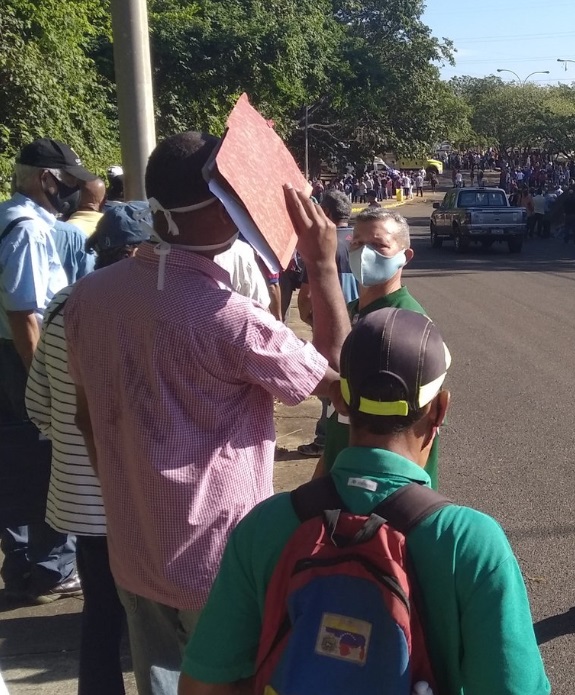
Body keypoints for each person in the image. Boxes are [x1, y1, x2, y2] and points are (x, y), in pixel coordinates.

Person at [65, 131, 349, 695]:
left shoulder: (88, 298)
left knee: (159, 683)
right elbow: (340, 385)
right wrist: (320, 265)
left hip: (133, 544)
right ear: (222, 207)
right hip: (220, 561)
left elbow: (84, 418)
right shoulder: (235, 321)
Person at [179, 309, 551, 695]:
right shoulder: (469, 543)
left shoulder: (267, 524)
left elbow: (202, 684)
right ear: (440, 409)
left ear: (340, 400)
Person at [25, 204, 150, 695]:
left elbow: (38, 403)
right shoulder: (146, 309)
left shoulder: (59, 305)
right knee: (154, 617)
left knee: (101, 609)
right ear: (139, 251)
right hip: (142, 497)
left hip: (81, 501)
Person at [1, 138, 87, 607]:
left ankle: (20, 564)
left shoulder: (4, 217)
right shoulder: (30, 230)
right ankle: (52, 569)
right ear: (46, 179)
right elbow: (23, 313)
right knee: (46, 456)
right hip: (20, 356)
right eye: (68, 180)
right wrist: (44, 381)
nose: (72, 190)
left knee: (12, 458)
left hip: (7, 356)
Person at [311, 208, 443, 487]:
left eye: (379, 245)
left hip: (385, 487)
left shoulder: (409, 325)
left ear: (404, 257)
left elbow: (413, 427)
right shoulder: (348, 314)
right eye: (357, 243)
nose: (364, 252)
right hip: (341, 473)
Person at [296, 190, 360, 458]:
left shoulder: (323, 241)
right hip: (361, 319)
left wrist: (308, 316)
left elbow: (307, 293)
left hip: (331, 323)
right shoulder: (361, 239)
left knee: (330, 379)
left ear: (328, 213)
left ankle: (325, 439)